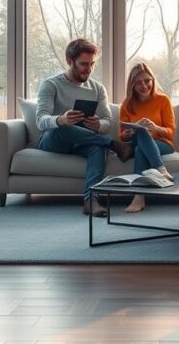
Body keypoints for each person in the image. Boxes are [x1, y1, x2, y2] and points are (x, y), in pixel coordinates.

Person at [36, 38, 132, 217]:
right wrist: (61, 119)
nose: (88, 69)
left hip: (84, 141)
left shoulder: (97, 88)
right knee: (62, 128)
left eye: (92, 64)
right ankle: (112, 144)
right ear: (69, 61)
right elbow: (41, 121)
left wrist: (98, 125)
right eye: (83, 64)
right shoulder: (51, 85)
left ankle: (91, 200)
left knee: (97, 147)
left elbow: (107, 120)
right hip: (55, 140)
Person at [119, 63, 176, 213]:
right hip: (138, 138)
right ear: (132, 85)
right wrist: (131, 131)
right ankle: (161, 170)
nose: (144, 85)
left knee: (139, 150)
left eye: (147, 80)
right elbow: (122, 135)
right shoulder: (127, 104)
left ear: (152, 80)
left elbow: (170, 132)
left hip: (162, 143)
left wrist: (155, 128)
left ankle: (139, 197)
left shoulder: (163, 100)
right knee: (140, 131)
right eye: (138, 82)